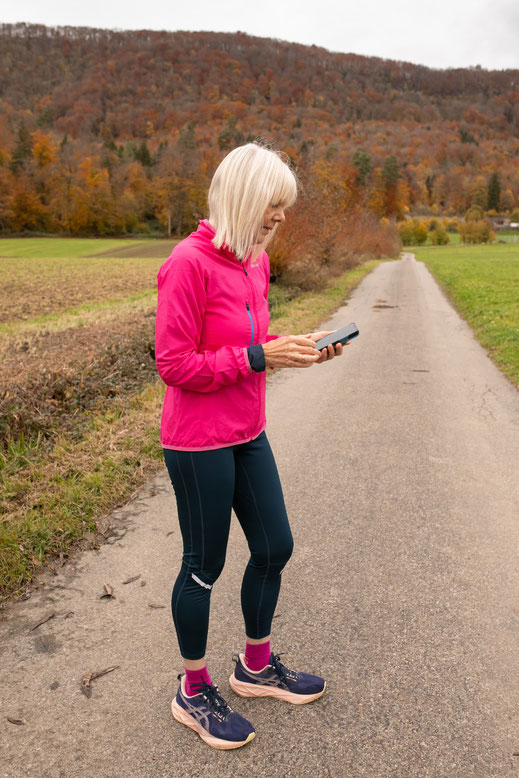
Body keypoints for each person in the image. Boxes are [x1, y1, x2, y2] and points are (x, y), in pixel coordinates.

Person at [155, 142, 345, 750]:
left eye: (285, 205)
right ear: (242, 198)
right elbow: (174, 364)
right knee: (203, 567)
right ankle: (193, 691)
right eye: (273, 203)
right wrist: (259, 356)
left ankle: (255, 668)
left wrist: (298, 347)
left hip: (248, 432)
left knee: (274, 546)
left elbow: (251, 343)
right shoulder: (187, 264)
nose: (281, 216)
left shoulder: (254, 264)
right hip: (198, 443)